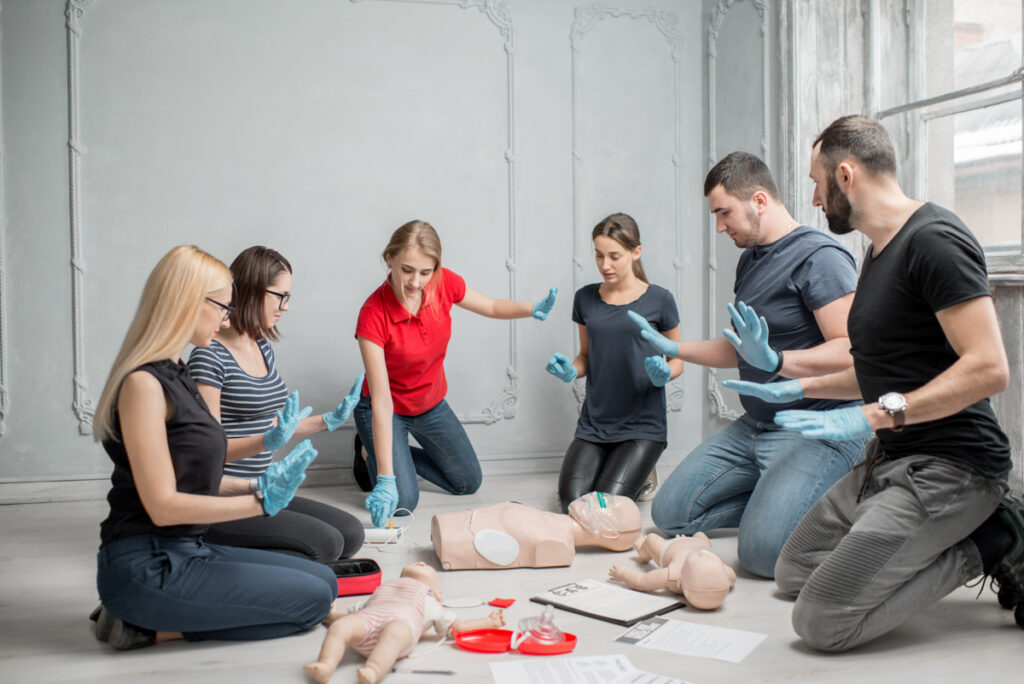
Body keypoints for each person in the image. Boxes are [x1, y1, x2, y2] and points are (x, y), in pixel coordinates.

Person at [727, 114, 1024, 651]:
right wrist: (789, 378)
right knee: (793, 571)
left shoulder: (936, 241)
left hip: (952, 467)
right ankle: (903, 533)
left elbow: (989, 368)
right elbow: (877, 371)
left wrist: (874, 415)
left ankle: (992, 537)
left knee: (820, 622)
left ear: (845, 176)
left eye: (817, 184)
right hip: (889, 461)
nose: (815, 201)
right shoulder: (877, 250)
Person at [90, 245, 337, 650]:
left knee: (325, 581)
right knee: (311, 603)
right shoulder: (143, 386)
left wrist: (255, 486)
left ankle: (148, 622)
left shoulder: (179, 373)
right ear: (189, 303)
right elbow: (164, 505)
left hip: (191, 547)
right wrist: (261, 504)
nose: (228, 316)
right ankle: (142, 628)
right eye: (223, 305)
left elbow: (191, 476)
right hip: (148, 566)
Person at [630, 151, 864, 579]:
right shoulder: (751, 259)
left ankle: (830, 497)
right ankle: (780, 498)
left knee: (759, 556)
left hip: (814, 427)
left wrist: (777, 361)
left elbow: (852, 350)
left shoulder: (820, 257)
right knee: (669, 515)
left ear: (759, 200)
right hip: (755, 427)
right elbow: (740, 349)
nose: (720, 226)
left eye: (724, 213)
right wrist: (672, 348)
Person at [354, 220, 557, 526]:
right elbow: (382, 401)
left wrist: (531, 309)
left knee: (467, 482)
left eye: (426, 272)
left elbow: (490, 306)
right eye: (407, 269)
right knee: (404, 502)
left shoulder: (443, 283)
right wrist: (385, 478)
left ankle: (379, 453)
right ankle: (373, 454)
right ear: (389, 259)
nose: (416, 281)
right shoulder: (373, 314)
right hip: (386, 409)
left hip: (429, 403)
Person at [187, 246, 364, 562]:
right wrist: (266, 441)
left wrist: (329, 419)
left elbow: (274, 428)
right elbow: (208, 450)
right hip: (219, 499)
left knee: (351, 534)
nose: (286, 306)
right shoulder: (208, 358)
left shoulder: (261, 346)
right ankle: (215, 553)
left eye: (288, 297)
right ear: (252, 290)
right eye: (280, 296)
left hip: (260, 488)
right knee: (326, 545)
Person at [545, 213, 683, 511]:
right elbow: (585, 357)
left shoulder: (660, 300)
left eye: (614, 256)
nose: (605, 265)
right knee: (572, 502)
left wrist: (663, 375)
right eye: (599, 255)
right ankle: (617, 463)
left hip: (642, 425)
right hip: (595, 424)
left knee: (604, 505)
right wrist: (571, 370)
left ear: (636, 252)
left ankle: (644, 468)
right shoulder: (585, 299)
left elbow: (678, 360)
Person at [304, 562, 506, 684]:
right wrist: (334, 617)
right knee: (343, 627)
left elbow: (458, 627)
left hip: (401, 624)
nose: (421, 562)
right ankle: (326, 664)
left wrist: (487, 622)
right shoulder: (386, 588)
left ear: (438, 594)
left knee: (395, 632)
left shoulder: (430, 601)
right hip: (369, 619)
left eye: (428, 569)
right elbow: (357, 612)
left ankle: (373, 669)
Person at [608, 531, 736, 610]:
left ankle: (643, 551)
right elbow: (731, 576)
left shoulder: (674, 574)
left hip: (670, 547)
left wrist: (623, 575)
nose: (703, 555)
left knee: (651, 538)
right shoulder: (725, 572)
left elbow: (643, 581)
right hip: (699, 542)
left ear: (683, 579)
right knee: (701, 534)